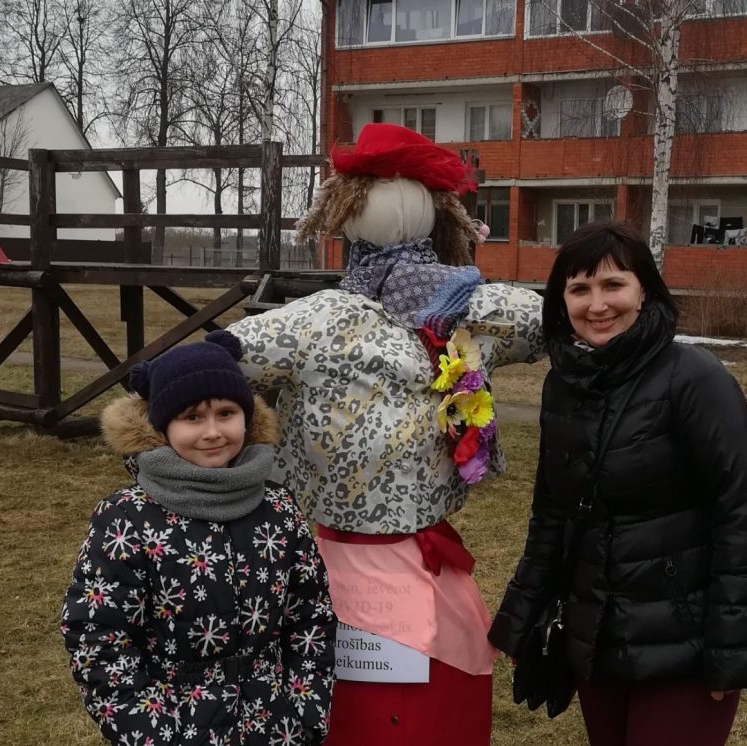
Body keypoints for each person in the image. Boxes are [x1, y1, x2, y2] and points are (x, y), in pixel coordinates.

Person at [225, 123, 545, 746]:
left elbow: (554, 320)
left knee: (425, 708)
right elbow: (215, 364)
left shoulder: (464, 308)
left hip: (421, 552)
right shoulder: (328, 319)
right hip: (332, 557)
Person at [488, 221, 747, 746]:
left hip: (685, 643)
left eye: (613, 284)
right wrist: (524, 614)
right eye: (579, 289)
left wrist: (735, 648)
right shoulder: (564, 385)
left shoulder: (694, 377)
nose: (597, 305)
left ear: (645, 291)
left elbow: (741, 515)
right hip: (597, 637)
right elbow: (552, 513)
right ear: (561, 301)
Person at [61, 330, 336, 746]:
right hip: (173, 726)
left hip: (276, 727)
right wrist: (150, 734)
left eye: (226, 413)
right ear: (162, 426)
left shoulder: (278, 509)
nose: (212, 432)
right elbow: (99, 639)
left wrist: (306, 713)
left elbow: (310, 616)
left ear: (248, 417)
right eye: (192, 417)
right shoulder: (127, 517)